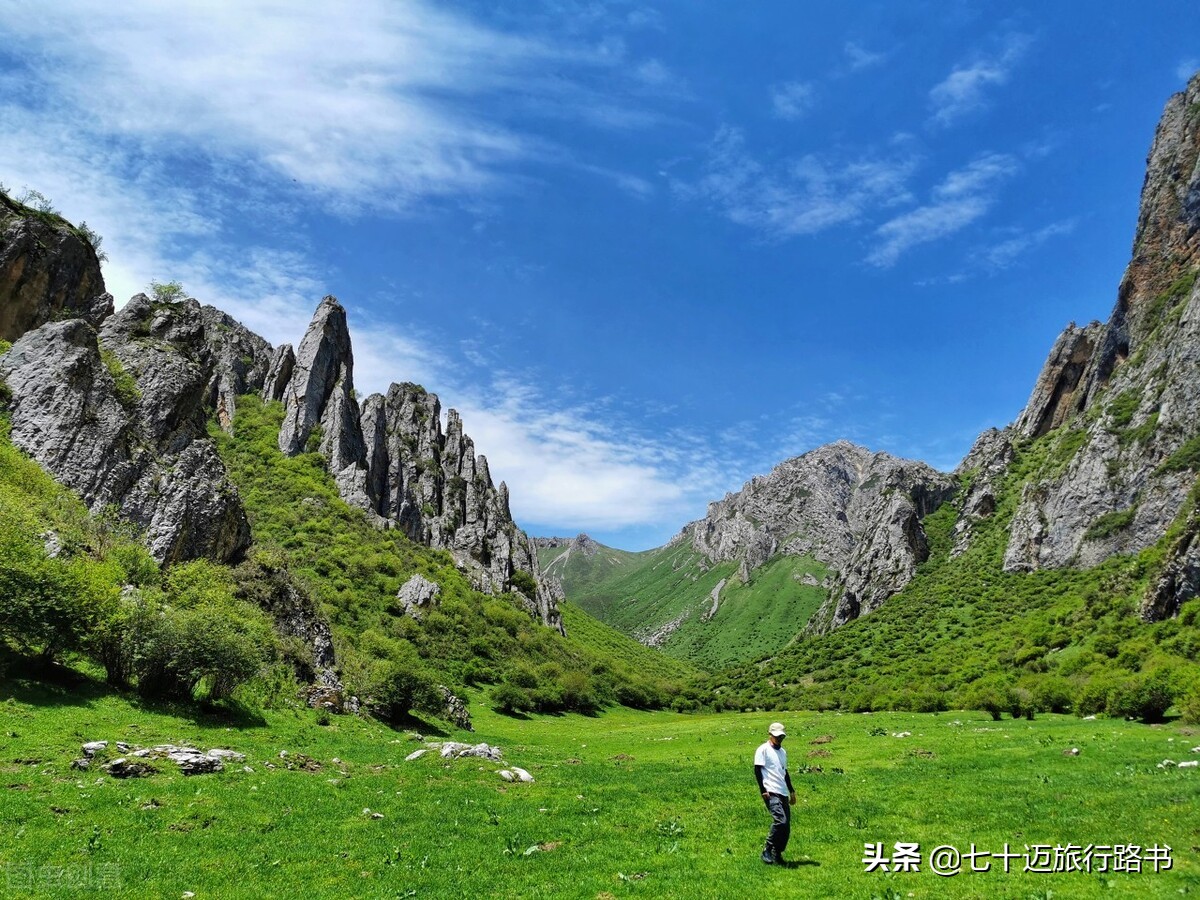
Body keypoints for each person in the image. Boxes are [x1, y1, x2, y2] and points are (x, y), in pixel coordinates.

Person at [753, 722, 796, 864]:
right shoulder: (763, 750)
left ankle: (777, 853)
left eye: (782, 736)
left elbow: (785, 772)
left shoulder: (783, 752)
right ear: (770, 734)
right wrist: (763, 791)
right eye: (777, 736)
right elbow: (757, 770)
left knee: (786, 826)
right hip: (771, 791)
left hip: (782, 791)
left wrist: (791, 791)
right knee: (780, 821)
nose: (779, 739)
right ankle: (767, 847)